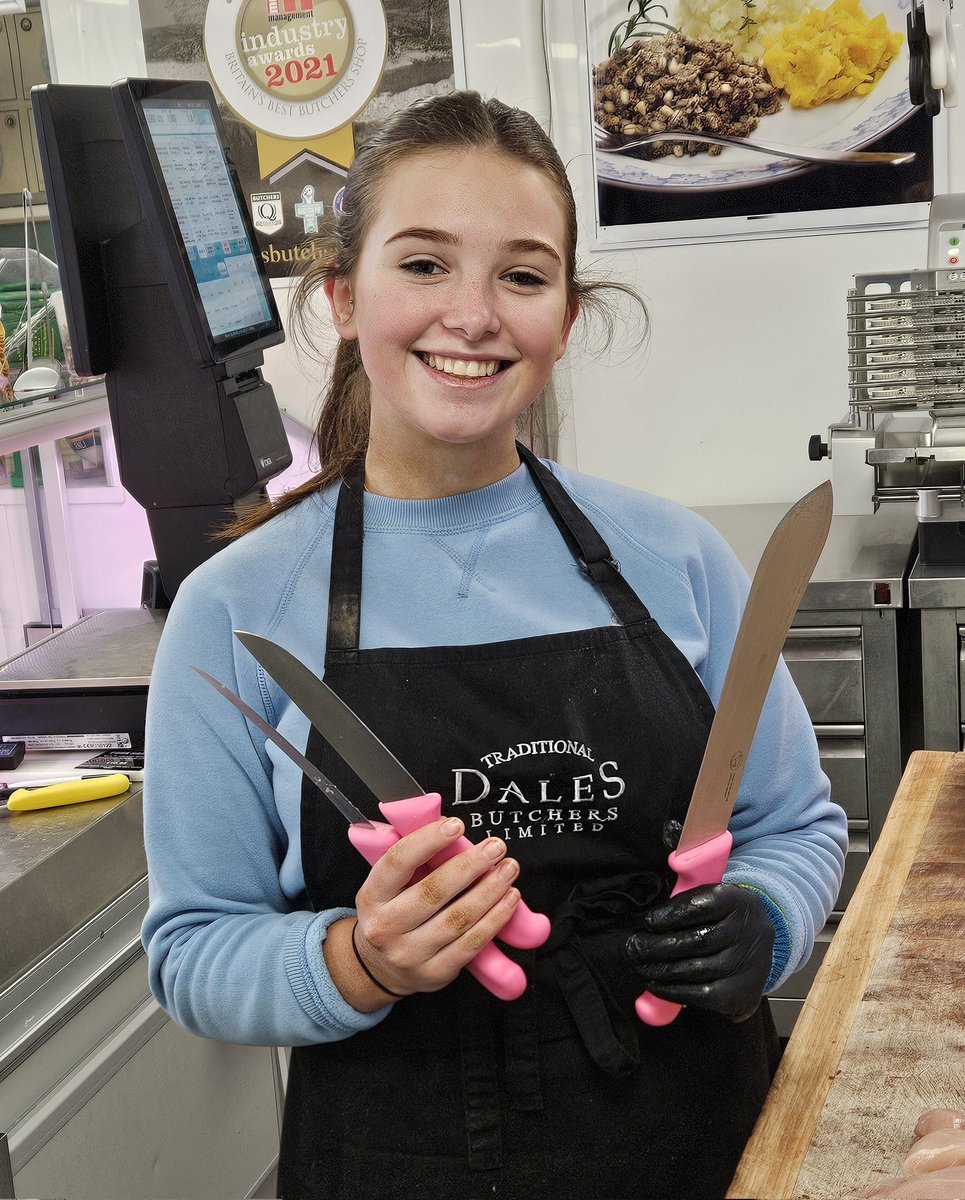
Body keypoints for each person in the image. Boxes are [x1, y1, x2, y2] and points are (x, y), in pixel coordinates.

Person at [141, 90, 847, 1200]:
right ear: (339, 297)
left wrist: (763, 922)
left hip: (697, 1145)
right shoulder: (237, 609)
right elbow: (192, 954)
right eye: (422, 265)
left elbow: (791, 826)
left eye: (520, 275)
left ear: (563, 319)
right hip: (394, 1158)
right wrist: (358, 961)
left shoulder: (677, 559)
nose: (471, 315)